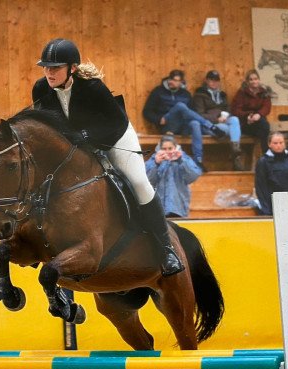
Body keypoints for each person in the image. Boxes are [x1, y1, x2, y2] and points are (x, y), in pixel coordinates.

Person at [32, 38, 183, 276]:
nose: (49, 73)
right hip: (77, 144)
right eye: (46, 67)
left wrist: (84, 135)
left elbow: (114, 123)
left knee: (139, 182)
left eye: (55, 68)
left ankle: (166, 250)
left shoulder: (92, 87)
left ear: (72, 68)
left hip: (114, 136)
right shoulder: (40, 89)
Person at [143, 69, 225, 170]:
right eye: (171, 79)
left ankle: (198, 160)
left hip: (183, 126)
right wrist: (158, 119)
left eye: (176, 80)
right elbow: (146, 111)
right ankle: (210, 126)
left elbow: (192, 112)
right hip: (167, 124)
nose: (172, 82)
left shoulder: (185, 94)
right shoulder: (158, 92)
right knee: (180, 105)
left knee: (195, 123)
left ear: (181, 82)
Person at [193, 70, 243, 170]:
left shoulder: (222, 95)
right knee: (232, 130)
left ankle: (235, 150)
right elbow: (199, 114)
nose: (214, 82)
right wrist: (216, 119)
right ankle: (235, 157)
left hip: (224, 120)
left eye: (216, 80)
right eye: (211, 80)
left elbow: (228, 109)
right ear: (207, 81)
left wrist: (226, 115)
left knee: (235, 119)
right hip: (209, 124)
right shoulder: (199, 94)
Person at [145, 135, 202, 218]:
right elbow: (147, 181)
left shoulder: (184, 159)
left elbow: (193, 176)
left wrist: (181, 161)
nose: (167, 151)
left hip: (179, 207)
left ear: (175, 148)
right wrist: (156, 164)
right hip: (158, 209)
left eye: (170, 148)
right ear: (159, 149)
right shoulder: (153, 160)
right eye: (164, 149)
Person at [230, 69, 271, 154]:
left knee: (264, 126)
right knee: (264, 129)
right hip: (246, 122)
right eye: (251, 79)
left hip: (259, 121)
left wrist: (259, 115)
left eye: (255, 79)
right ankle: (266, 154)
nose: (254, 81)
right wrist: (247, 115)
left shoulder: (264, 92)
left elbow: (267, 106)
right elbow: (235, 109)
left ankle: (266, 154)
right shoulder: (242, 92)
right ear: (247, 81)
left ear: (259, 80)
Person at [254, 132, 288, 216]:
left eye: (281, 143)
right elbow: (261, 187)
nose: (278, 145)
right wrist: (267, 210)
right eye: (275, 143)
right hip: (272, 202)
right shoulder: (263, 162)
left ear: (285, 144)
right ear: (269, 144)